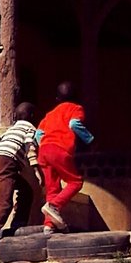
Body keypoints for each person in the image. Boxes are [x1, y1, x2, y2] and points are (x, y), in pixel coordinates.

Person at [0, 101, 43, 255]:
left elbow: (2, 147)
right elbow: (30, 147)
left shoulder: (12, 129)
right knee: (5, 201)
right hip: (8, 163)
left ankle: (18, 224)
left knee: (26, 191)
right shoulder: (30, 128)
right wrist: (36, 170)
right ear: (32, 116)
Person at [36, 81, 94, 232]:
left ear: (57, 99)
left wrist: (46, 144)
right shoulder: (76, 108)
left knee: (52, 189)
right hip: (59, 150)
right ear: (76, 97)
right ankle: (54, 206)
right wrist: (89, 139)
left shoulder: (50, 114)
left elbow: (38, 134)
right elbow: (74, 124)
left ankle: (49, 226)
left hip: (44, 151)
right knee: (75, 182)